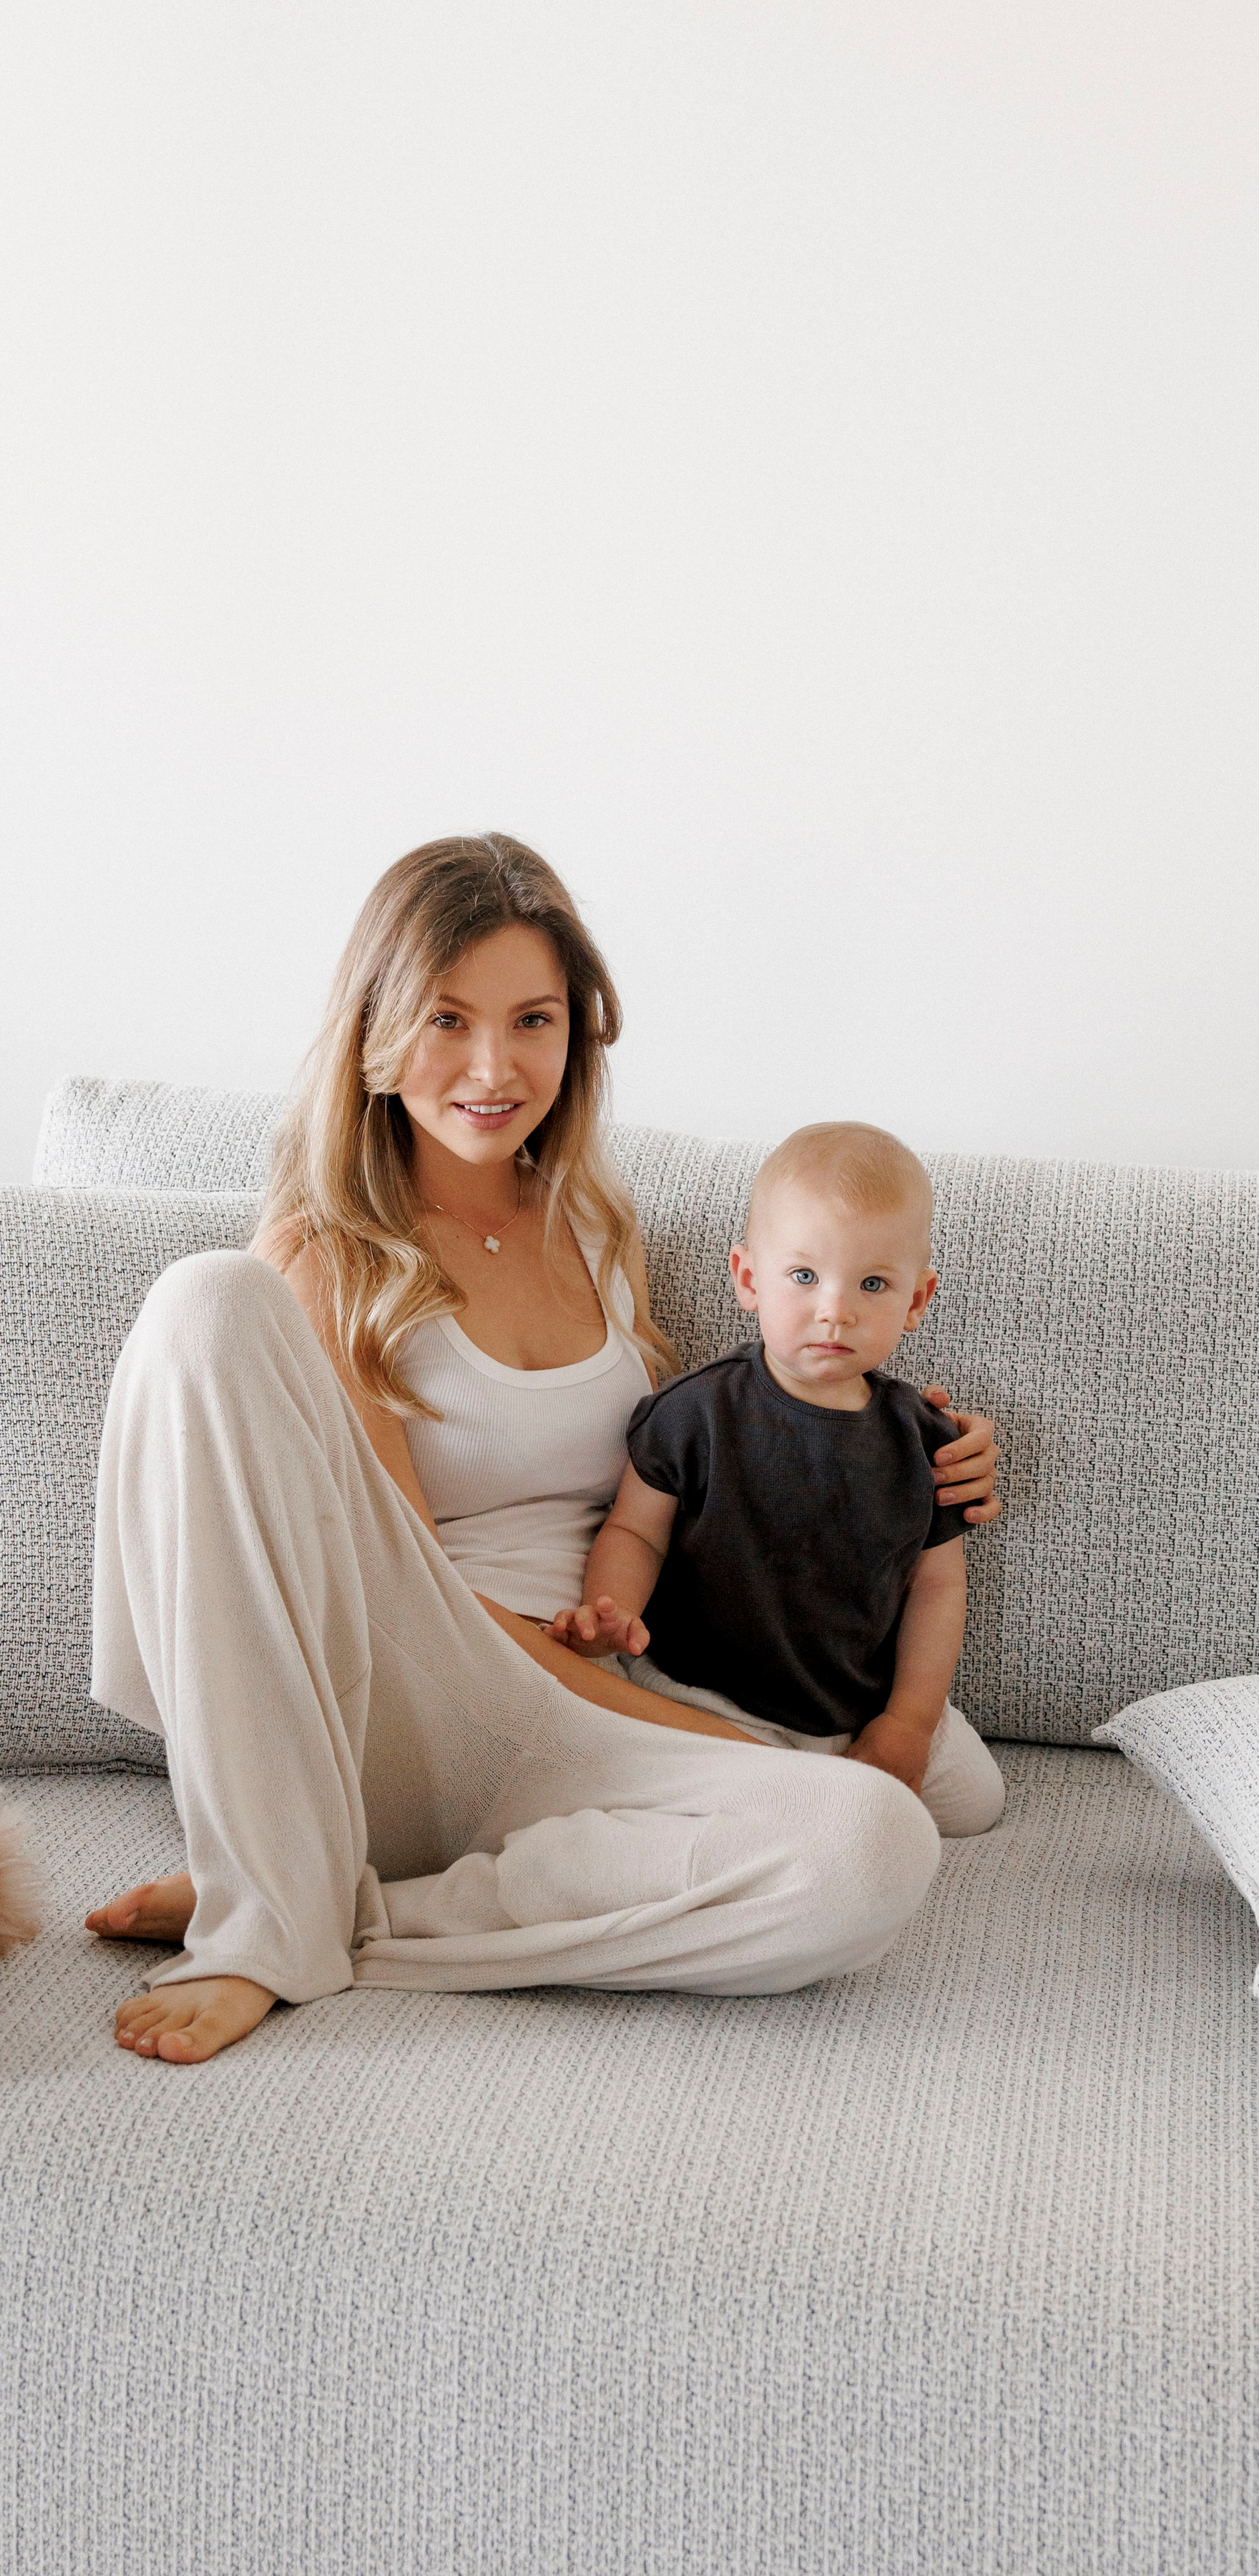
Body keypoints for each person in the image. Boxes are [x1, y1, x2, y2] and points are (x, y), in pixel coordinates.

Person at [86, 836, 999, 2062]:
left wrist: (904, 1438)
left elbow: (701, 1459)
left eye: (534, 1020)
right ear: (378, 1025)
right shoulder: (325, 1253)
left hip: (597, 1699)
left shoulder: (596, 1227)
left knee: (878, 1845)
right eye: (448, 1019)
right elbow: (398, 1583)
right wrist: (717, 1746)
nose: (492, 1066)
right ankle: (271, 1921)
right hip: (430, 1683)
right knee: (206, 1298)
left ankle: (359, 1909)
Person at [550, 1121, 1005, 1837]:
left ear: (915, 1302)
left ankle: (846, 1776)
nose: (834, 1308)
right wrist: (613, 1609)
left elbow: (939, 1585)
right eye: (803, 1276)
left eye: (873, 1283)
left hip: (858, 1701)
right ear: (748, 1279)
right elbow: (634, 1529)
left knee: (976, 1803)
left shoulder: (922, 1439)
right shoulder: (695, 1412)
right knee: (771, 1811)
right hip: (710, 1696)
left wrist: (910, 1723)